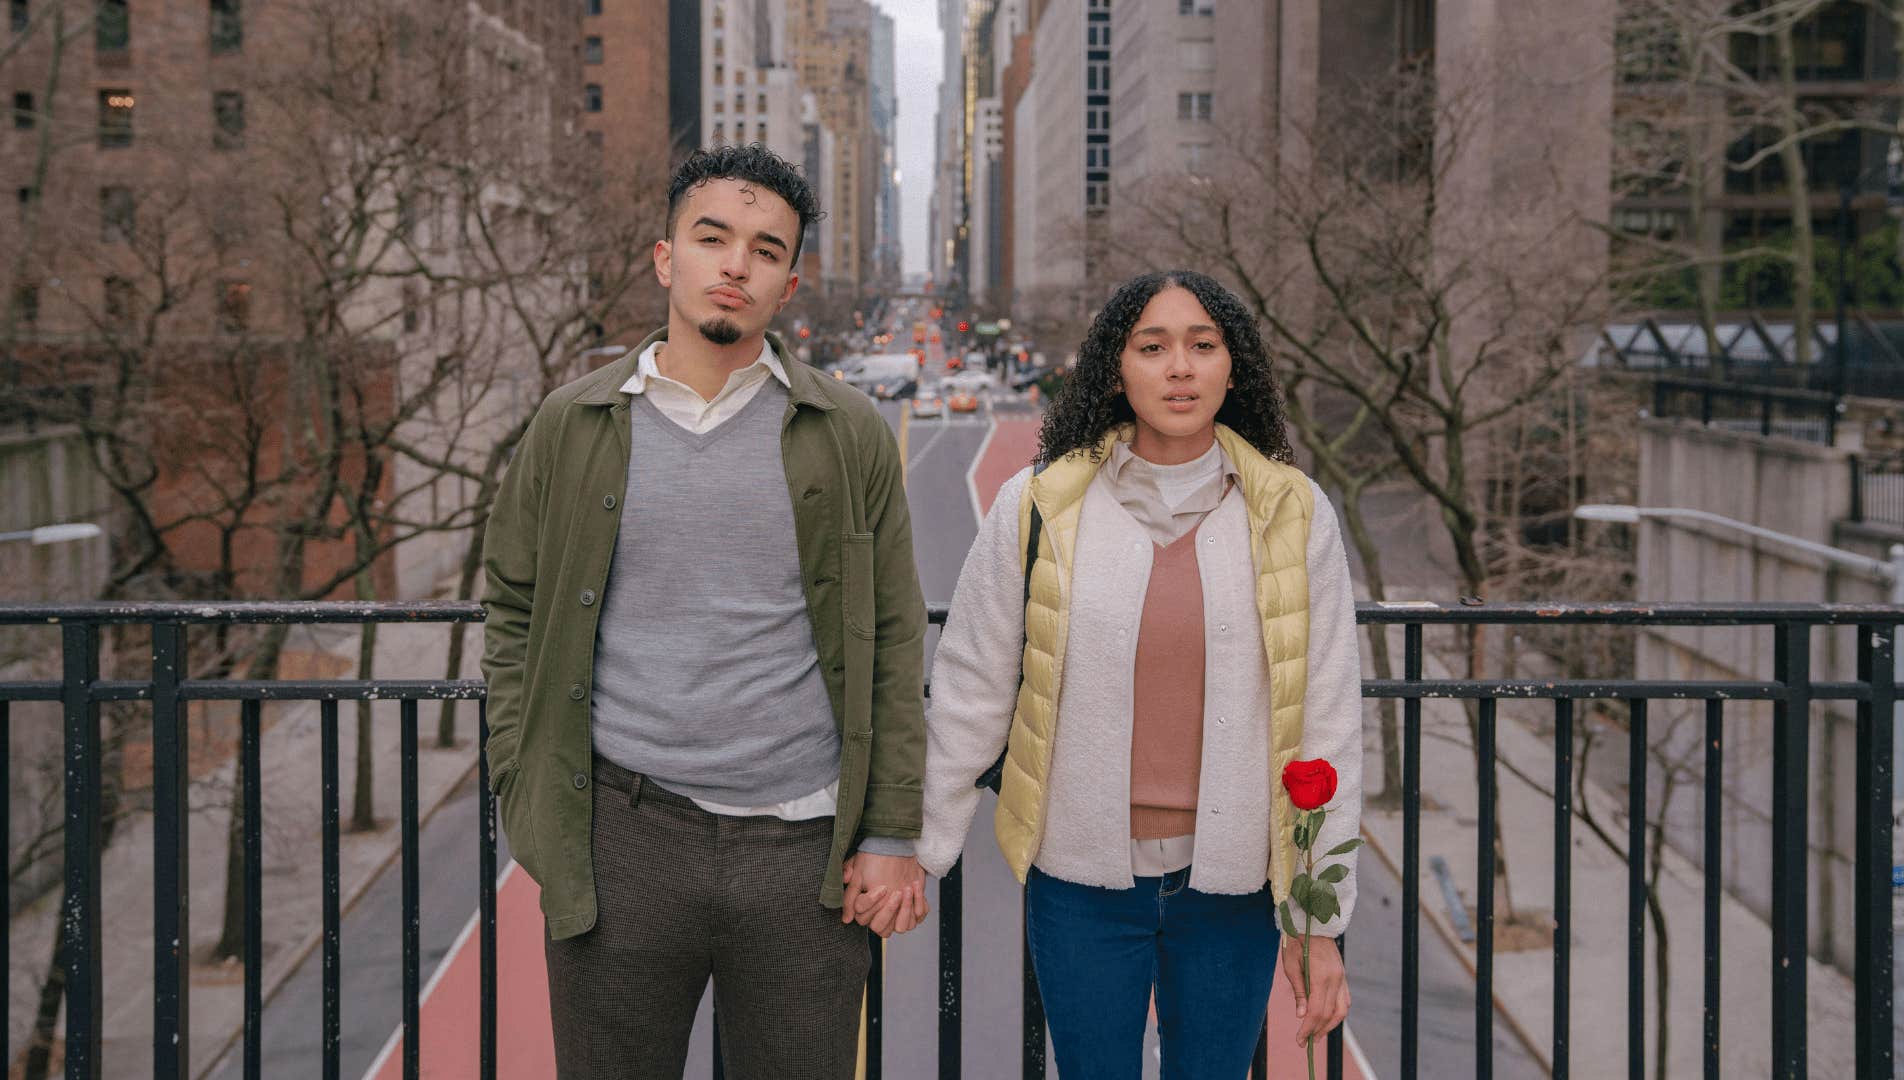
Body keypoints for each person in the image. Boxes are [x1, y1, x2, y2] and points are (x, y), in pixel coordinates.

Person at [480, 144, 929, 1080]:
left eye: (766, 250)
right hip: (623, 839)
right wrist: (525, 791)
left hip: (804, 853)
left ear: (789, 284)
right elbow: (513, 608)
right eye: (713, 237)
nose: (736, 264)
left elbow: (891, 636)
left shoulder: (847, 434)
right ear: (664, 257)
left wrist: (888, 835)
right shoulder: (574, 424)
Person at [916, 270, 1363, 1078]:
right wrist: (918, 850)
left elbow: (1326, 719)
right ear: (1116, 370)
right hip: (1082, 881)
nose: (1180, 368)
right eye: (1152, 347)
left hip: (1233, 887)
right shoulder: (1038, 506)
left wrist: (1317, 920)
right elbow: (972, 687)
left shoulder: (1294, 514)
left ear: (1236, 367)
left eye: (1203, 345)